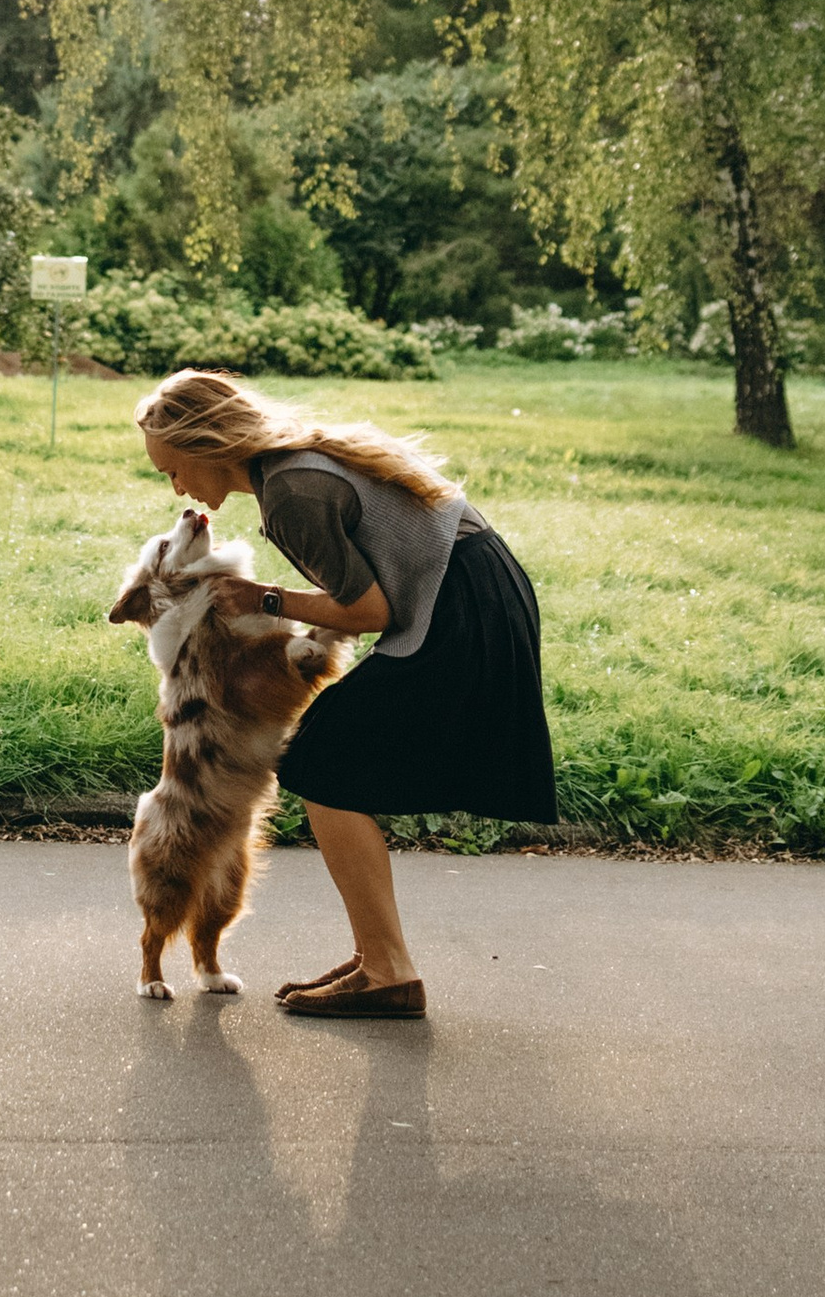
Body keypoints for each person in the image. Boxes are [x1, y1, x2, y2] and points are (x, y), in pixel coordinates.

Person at [132, 365, 555, 1021]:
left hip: (460, 605)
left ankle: (386, 969)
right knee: (331, 754)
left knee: (325, 760)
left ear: (205, 444)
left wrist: (265, 597)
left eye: (173, 468)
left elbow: (368, 610)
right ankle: (379, 960)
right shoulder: (293, 463)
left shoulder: (290, 495)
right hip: (473, 590)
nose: (178, 486)